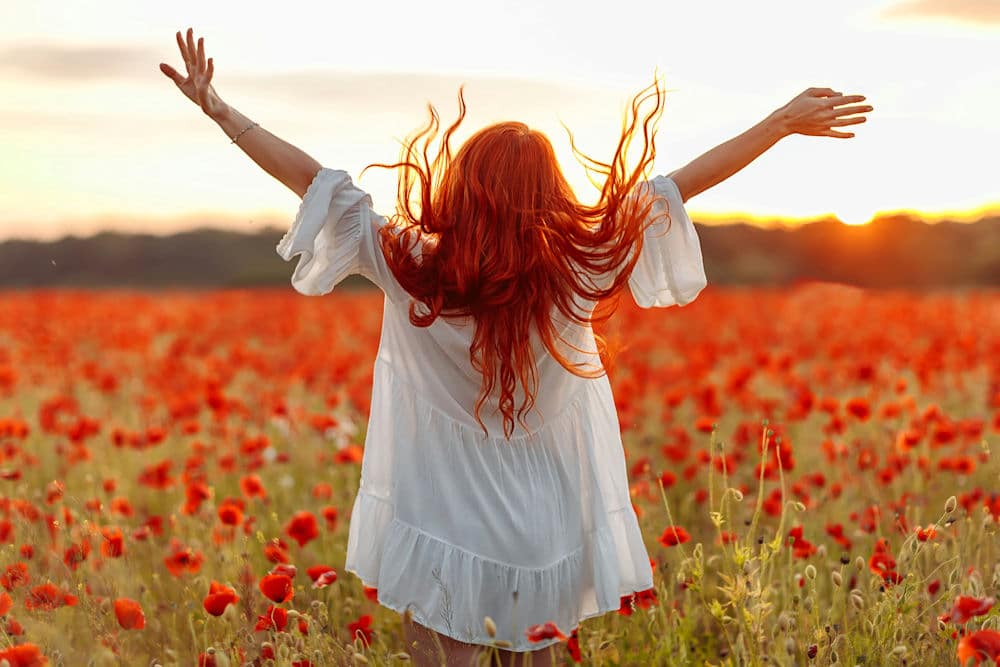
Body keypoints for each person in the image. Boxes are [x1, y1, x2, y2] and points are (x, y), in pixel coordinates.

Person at [160, 27, 872, 666]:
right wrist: (779, 123)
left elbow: (314, 179)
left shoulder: (411, 262)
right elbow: (683, 183)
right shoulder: (581, 265)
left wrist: (220, 110)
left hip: (441, 522)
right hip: (544, 530)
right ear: (550, 195)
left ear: (463, 187)